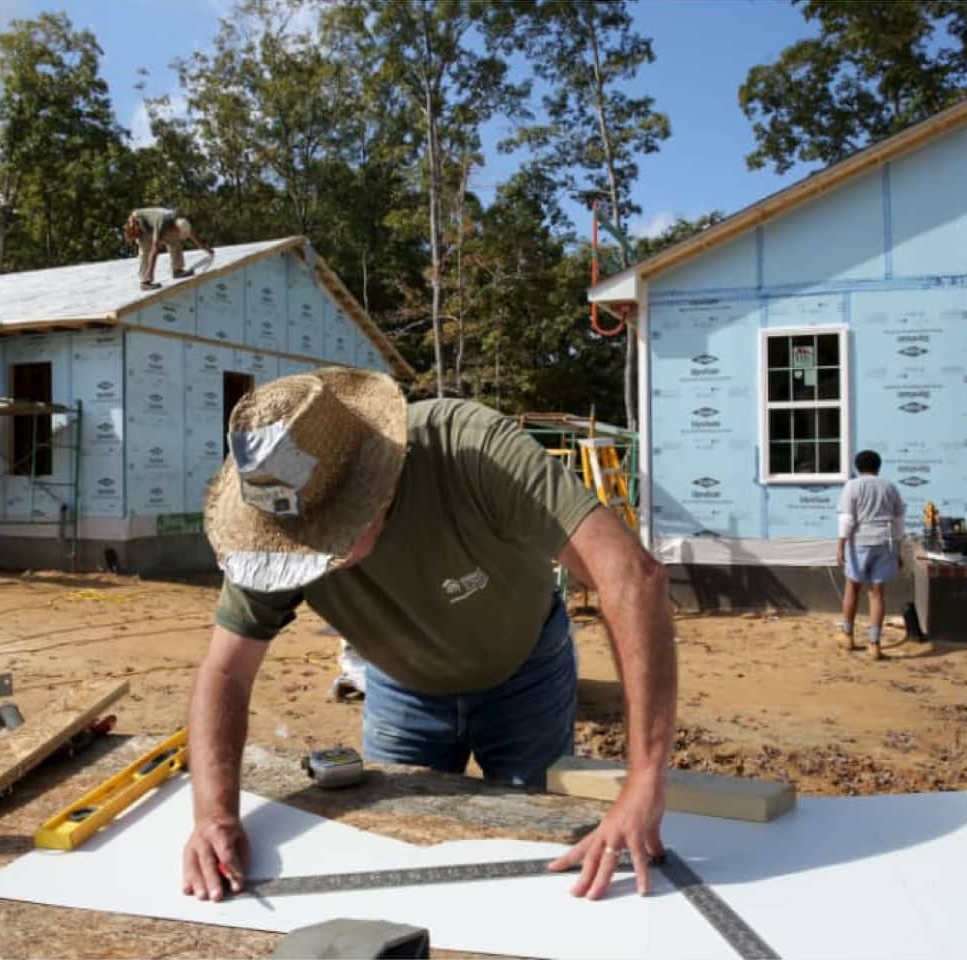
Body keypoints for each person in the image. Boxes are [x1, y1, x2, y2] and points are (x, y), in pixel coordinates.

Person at [187, 369, 676, 904]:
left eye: (329, 539)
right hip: (402, 690)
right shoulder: (277, 530)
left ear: (373, 484)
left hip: (525, 673)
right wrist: (214, 814)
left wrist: (644, 778)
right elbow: (226, 670)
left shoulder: (470, 451)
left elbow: (632, 576)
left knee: (537, 860)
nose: (315, 559)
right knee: (400, 852)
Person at [835, 449, 906, 660]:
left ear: (858, 467)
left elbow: (847, 519)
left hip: (860, 542)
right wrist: (898, 549)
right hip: (886, 542)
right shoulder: (890, 487)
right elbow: (899, 521)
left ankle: (847, 635)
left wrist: (840, 545)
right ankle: (874, 644)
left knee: (852, 587)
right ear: (878, 466)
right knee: (877, 593)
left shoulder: (853, 486)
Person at [123, 207, 211, 290]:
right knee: (146, 250)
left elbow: (193, 235)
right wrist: (150, 272)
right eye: (179, 233)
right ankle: (145, 282)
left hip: (155, 222)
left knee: (174, 239)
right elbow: (155, 249)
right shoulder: (162, 223)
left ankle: (177, 271)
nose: (180, 236)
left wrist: (206, 249)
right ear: (175, 227)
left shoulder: (180, 220)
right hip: (140, 221)